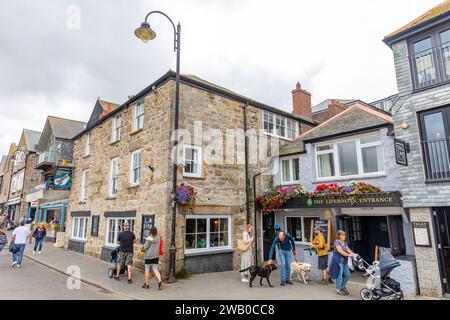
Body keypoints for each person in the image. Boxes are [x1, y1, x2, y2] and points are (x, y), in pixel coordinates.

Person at [329, 230, 354, 296]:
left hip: (344, 261)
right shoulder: (337, 242)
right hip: (338, 261)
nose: (344, 236)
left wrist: (354, 254)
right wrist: (349, 255)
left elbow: (348, 249)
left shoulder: (345, 242)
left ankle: (343, 287)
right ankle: (338, 289)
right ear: (339, 236)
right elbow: (341, 252)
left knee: (347, 274)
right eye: (342, 235)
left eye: (344, 235)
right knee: (339, 276)